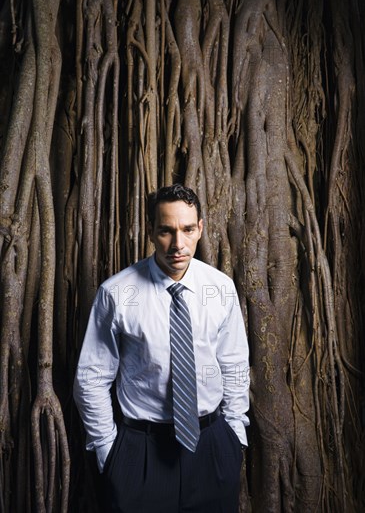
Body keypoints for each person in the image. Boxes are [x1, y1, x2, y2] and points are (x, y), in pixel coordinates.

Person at [74, 184, 250, 513]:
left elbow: (235, 365)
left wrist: (234, 437)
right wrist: (108, 450)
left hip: (211, 448)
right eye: (166, 231)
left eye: (187, 229)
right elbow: (92, 378)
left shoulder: (221, 288)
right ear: (152, 231)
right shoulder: (116, 293)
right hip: (140, 453)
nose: (178, 244)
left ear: (200, 229)